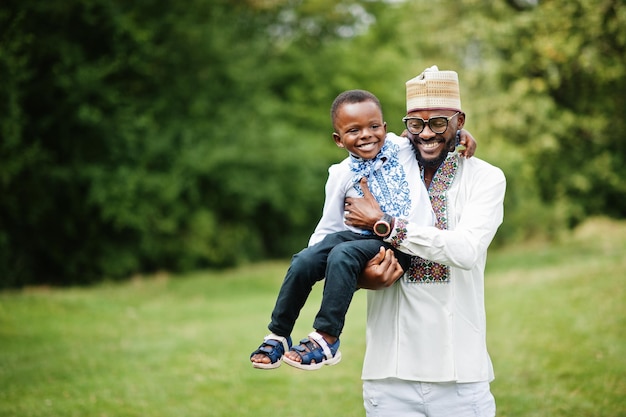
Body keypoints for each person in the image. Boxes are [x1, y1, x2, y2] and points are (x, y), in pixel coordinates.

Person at [249, 89, 477, 371]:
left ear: (385, 128)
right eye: (354, 130)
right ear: (338, 139)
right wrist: (313, 261)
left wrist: (461, 137)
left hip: (400, 243)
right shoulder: (340, 174)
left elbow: (431, 136)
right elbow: (329, 225)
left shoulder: (402, 149)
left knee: (343, 254)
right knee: (304, 260)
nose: (366, 135)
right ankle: (278, 333)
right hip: (356, 239)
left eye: (373, 127)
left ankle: (327, 337)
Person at [344, 66, 506, 416]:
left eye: (439, 123)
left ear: (459, 120)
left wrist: (387, 225)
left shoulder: (485, 178)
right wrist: (361, 278)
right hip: (388, 376)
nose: (427, 134)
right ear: (405, 127)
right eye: (417, 124)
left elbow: (464, 251)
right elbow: (342, 243)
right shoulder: (382, 170)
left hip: (460, 376)